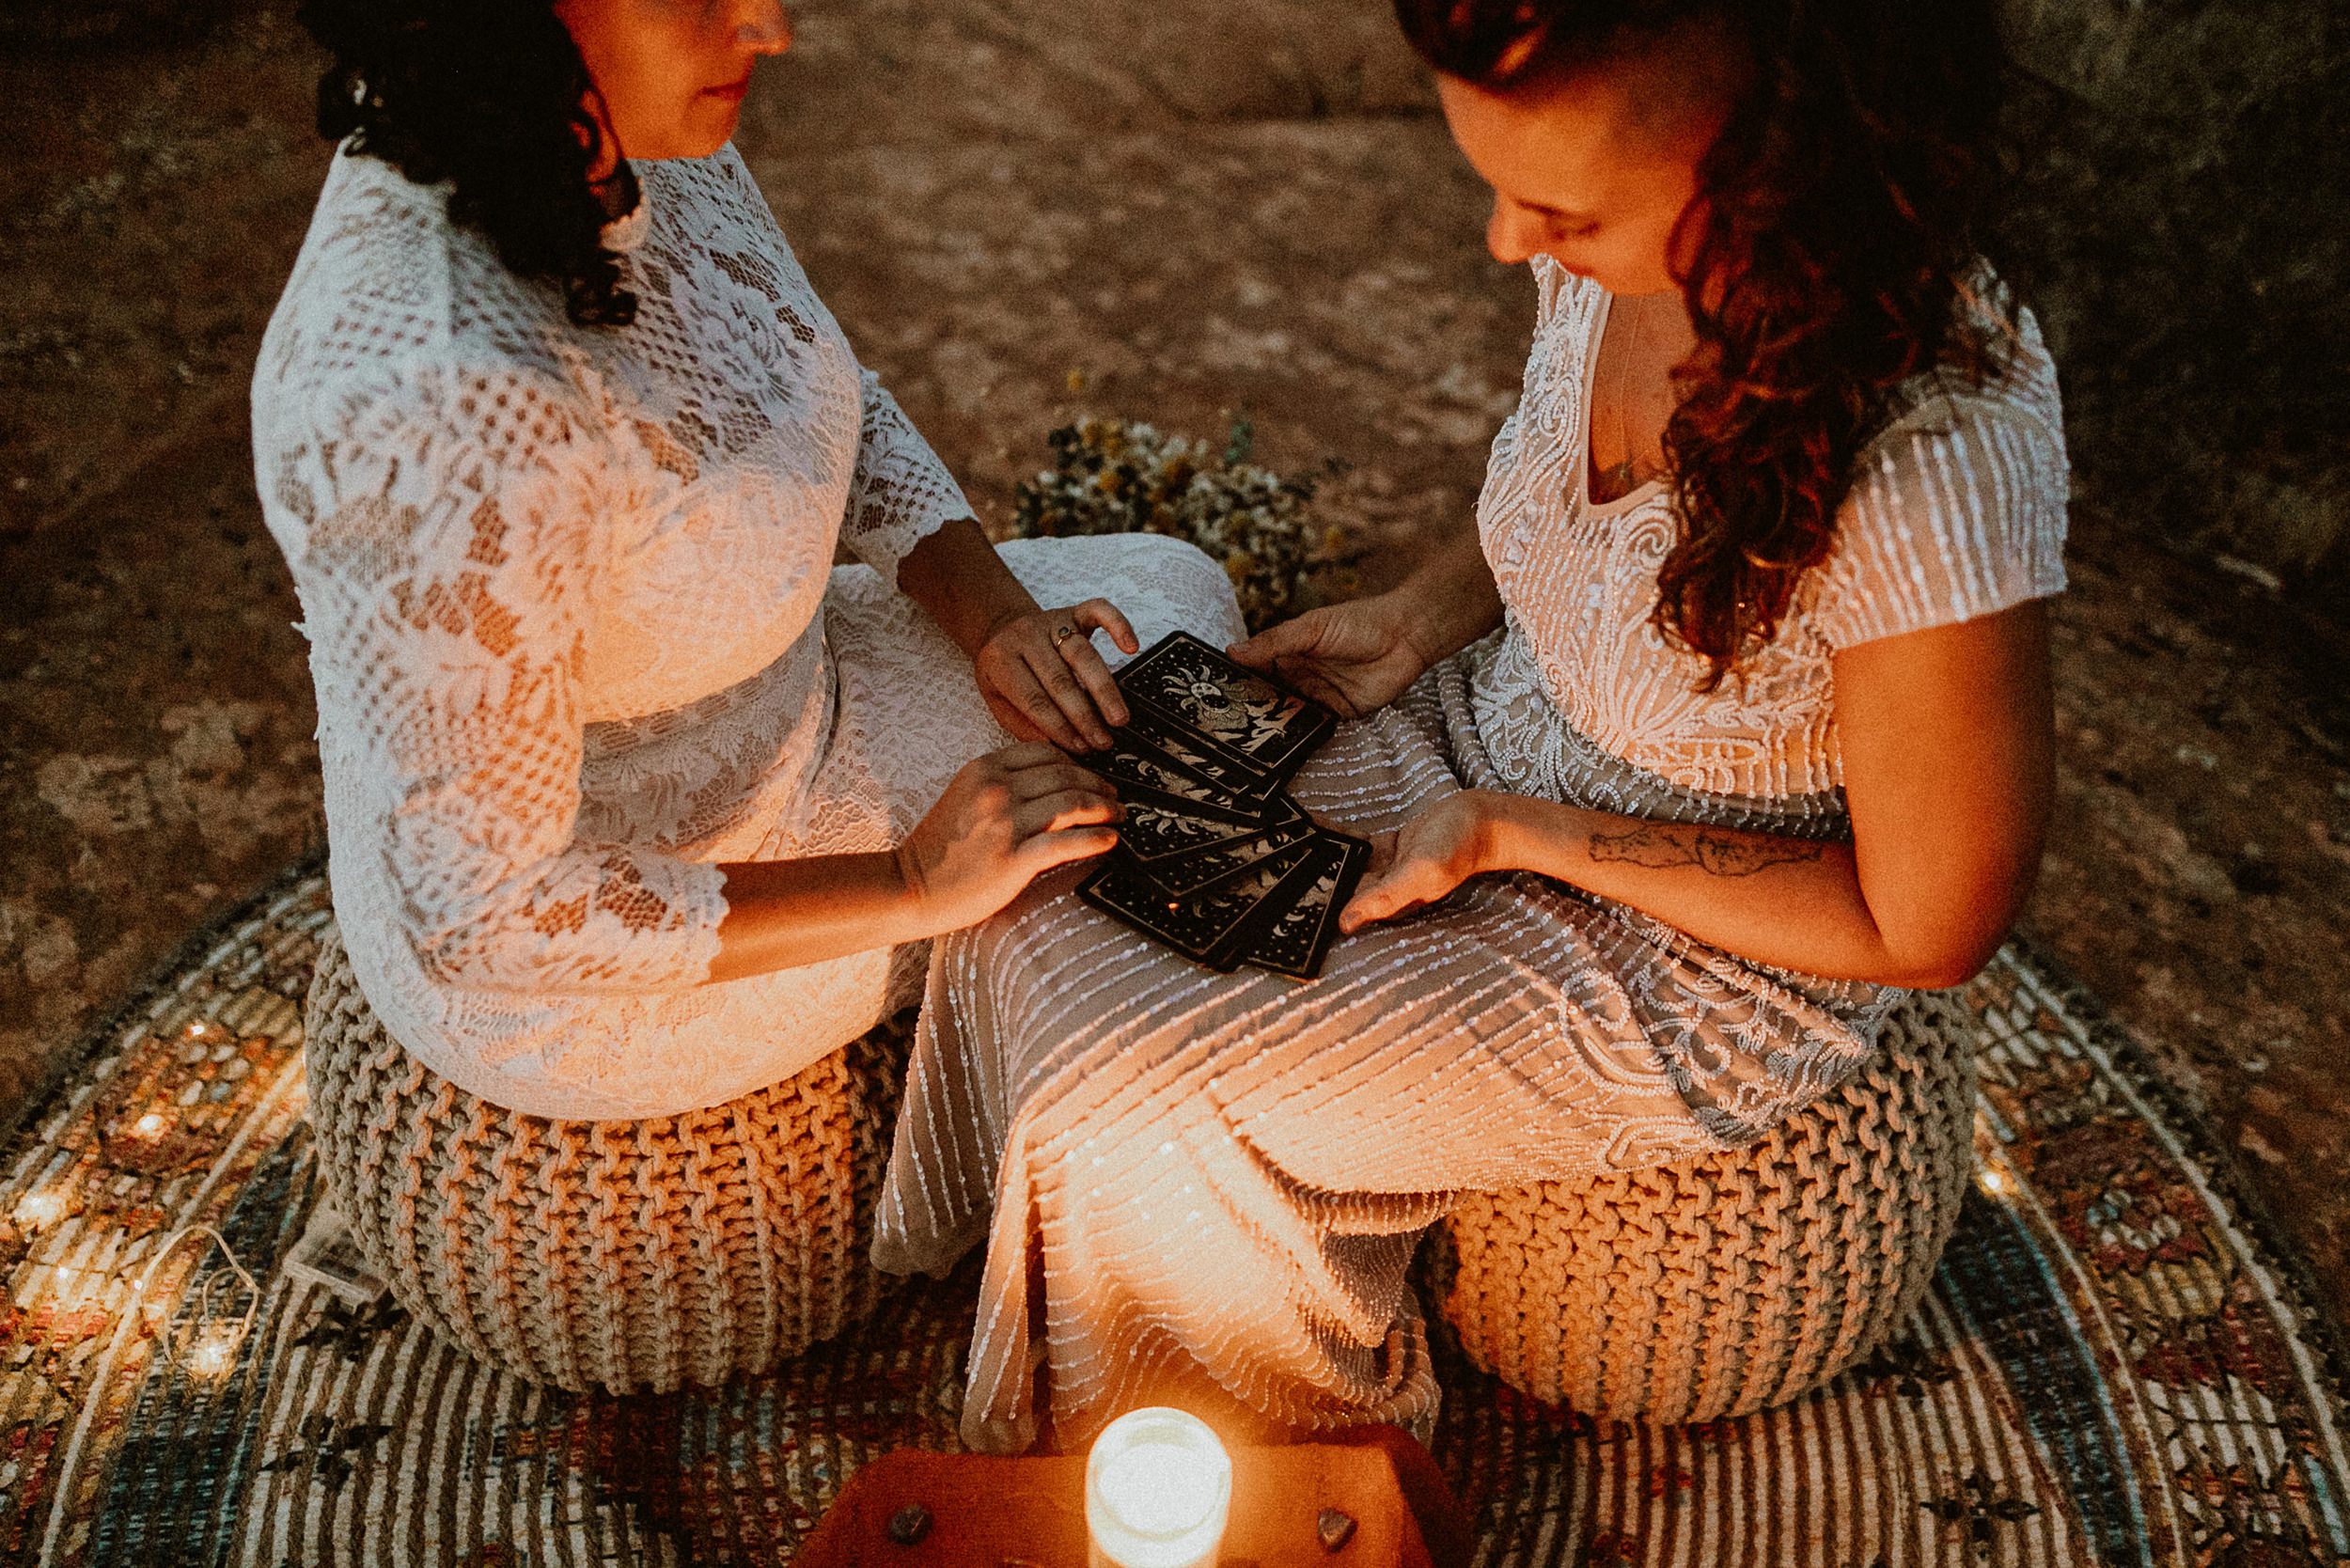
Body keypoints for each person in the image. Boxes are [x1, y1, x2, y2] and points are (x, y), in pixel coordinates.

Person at [874, 0, 2066, 1451]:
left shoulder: (1932, 457)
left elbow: (1926, 924)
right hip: (1480, 730)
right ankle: (1092, 1311)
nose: (1508, 241)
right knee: (1046, 864)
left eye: (1553, 206)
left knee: (1137, 1106)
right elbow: (1577, 523)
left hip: (1693, 944)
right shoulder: (1623, 255)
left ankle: (1298, 1484)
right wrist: (1423, 618)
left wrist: (1523, 834)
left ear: (1767, 167)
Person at [254, 0, 1247, 1392]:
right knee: (1132, 817)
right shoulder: (428, 393)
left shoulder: (636, 121)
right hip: (606, 928)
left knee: (1176, 616)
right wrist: (914, 882)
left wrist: (992, 617)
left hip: (785, 690)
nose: (768, 25)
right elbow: (482, 916)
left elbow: (811, 379)